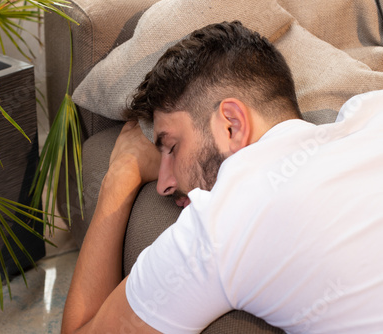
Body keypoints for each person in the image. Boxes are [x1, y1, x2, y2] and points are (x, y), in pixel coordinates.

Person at [61, 21, 383, 333]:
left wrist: (119, 177)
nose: (163, 184)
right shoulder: (370, 110)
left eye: (172, 146)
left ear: (231, 124)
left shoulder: (220, 228)